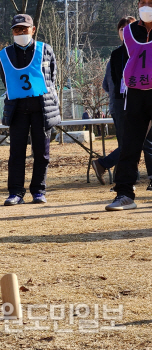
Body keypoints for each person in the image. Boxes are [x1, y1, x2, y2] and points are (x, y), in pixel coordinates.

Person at [0, 14, 60, 206]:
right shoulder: (5, 54)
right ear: (12, 32)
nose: (21, 32)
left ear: (33, 30)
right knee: (16, 153)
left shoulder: (46, 50)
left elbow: (52, 76)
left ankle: (39, 191)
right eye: (17, 30)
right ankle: (15, 192)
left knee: (42, 153)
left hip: (41, 110)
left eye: (25, 29)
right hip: (17, 111)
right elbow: (6, 79)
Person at [106, 1, 152, 210]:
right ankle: (124, 194)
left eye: (150, 3)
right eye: (143, 2)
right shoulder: (129, 32)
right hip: (135, 94)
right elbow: (122, 64)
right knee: (130, 144)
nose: (146, 6)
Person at [93, 17, 136, 186]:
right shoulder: (116, 55)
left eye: (129, 28)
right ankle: (106, 166)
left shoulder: (139, 50)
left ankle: (122, 175)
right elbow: (108, 84)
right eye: (121, 29)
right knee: (130, 143)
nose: (125, 32)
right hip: (121, 104)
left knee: (130, 142)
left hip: (128, 103)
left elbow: (105, 85)